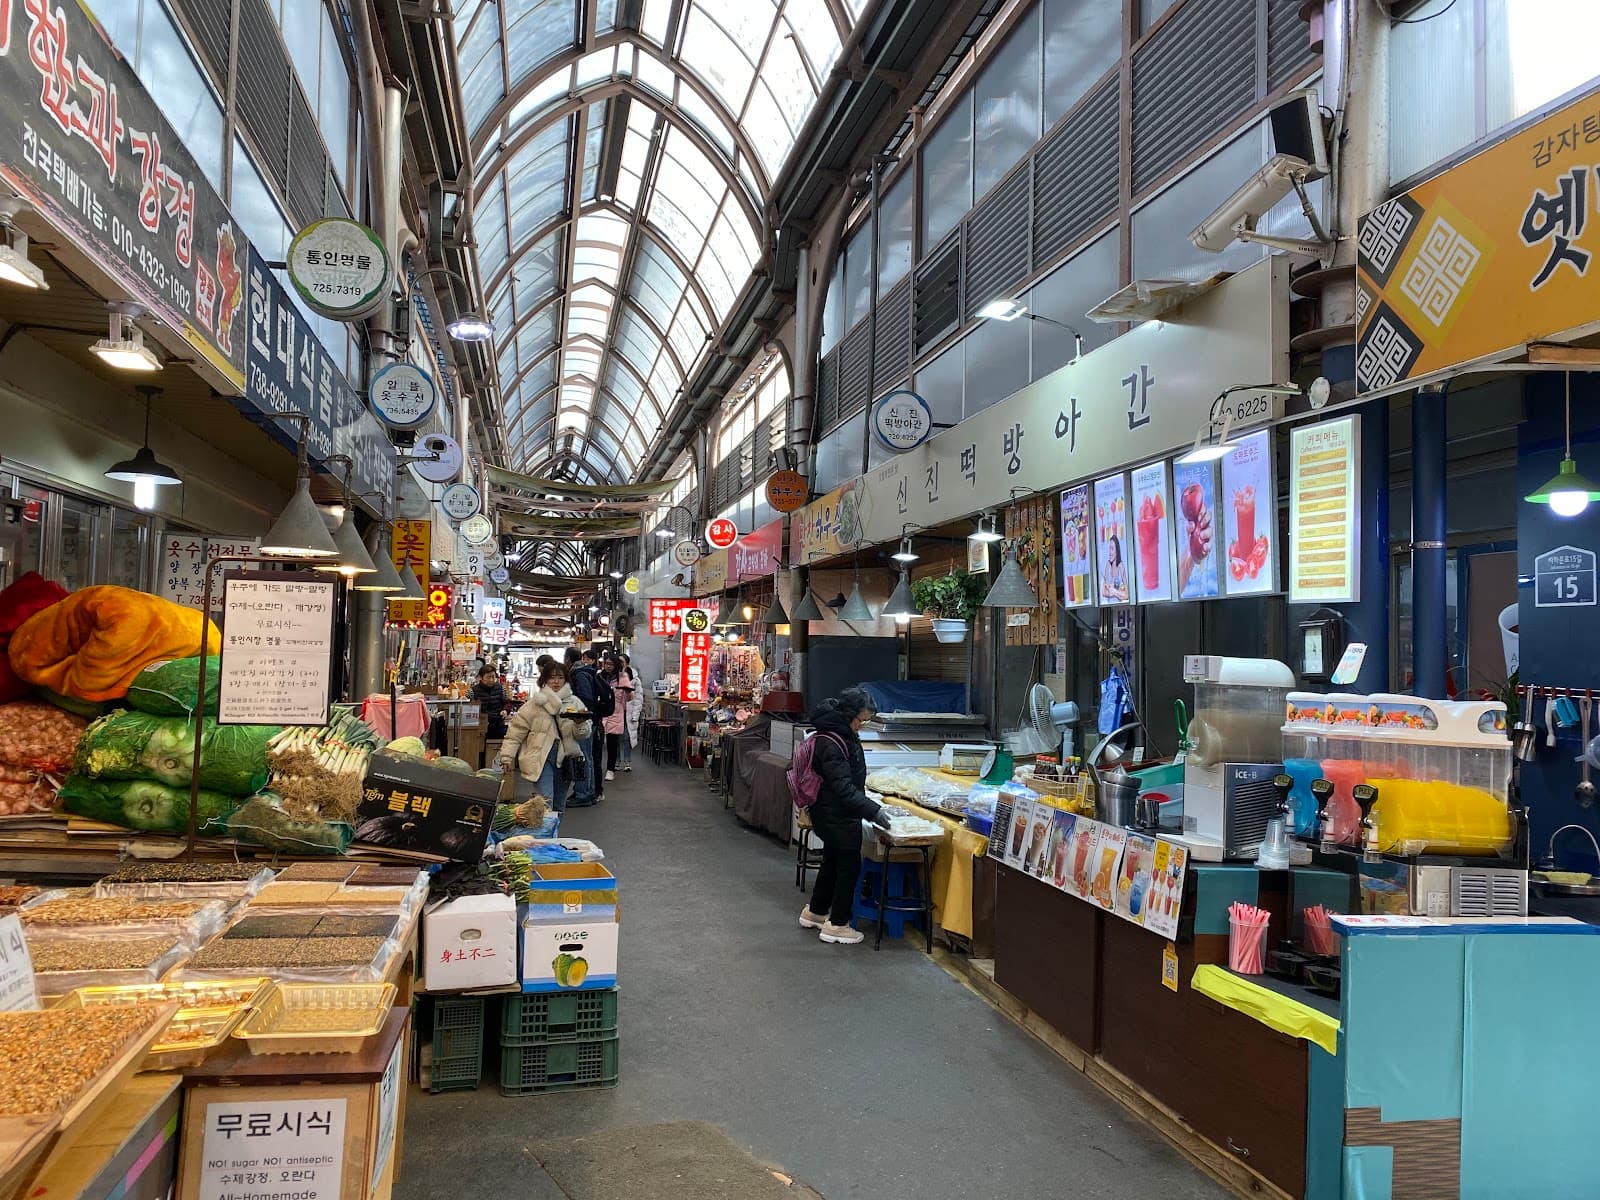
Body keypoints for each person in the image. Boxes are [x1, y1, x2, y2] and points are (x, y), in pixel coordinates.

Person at [800, 688, 891, 946]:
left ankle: (816, 912)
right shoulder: (833, 741)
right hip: (836, 814)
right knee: (848, 867)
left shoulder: (838, 733)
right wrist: (874, 810)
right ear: (850, 714)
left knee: (831, 861)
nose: (862, 725)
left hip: (829, 812)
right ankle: (838, 924)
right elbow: (843, 788)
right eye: (861, 720)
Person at [499, 662, 578, 814]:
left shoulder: (573, 703)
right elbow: (515, 732)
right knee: (544, 803)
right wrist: (507, 757)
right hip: (540, 758)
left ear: (566, 680)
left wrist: (580, 724)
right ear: (544, 680)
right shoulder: (534, 704)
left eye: (560, 677)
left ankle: (553, 837)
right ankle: (545, 837)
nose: (556, 681)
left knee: (559, 806)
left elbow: (584, 733)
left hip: (564, 758)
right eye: (552, 677)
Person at [565, 647, 603, 806]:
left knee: (583, 757)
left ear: (568, 659)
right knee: (588, 757)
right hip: (590, 720)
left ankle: (583, 794)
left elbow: (586, 698)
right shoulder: (586, 671)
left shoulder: (579, 674)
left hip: (585, 721)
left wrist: (576, 711)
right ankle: (589, 791)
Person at [603, 657, 636, 781]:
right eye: (606, 664)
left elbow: (630, 697)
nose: (608, 666)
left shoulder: (623, 677)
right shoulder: (600, 676)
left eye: (611, 664)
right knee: (599, 743)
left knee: (612, 743)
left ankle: (610, 769)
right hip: (602, 711)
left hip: (616, 712)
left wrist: (627, 691)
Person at [469, 664, 508, 740]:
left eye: (493, 677)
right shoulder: (472, 691)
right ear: (481, 677)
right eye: (488, 677)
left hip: (498, 725)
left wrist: (505, 710)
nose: (491, 680)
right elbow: (466, 707)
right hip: (479, 727)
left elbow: (507, 702)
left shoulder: (500, 688)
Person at [619, 653, 642, 772]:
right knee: (616, 738)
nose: (620, 664)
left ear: (627, 663)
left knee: (627, 738)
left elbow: (638, 699)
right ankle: (616, 761)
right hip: (617, 712)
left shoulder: (635, 679)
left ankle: (627, 761)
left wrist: (635, 715)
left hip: (629, 712)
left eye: (622, 662)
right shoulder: (614, 677)